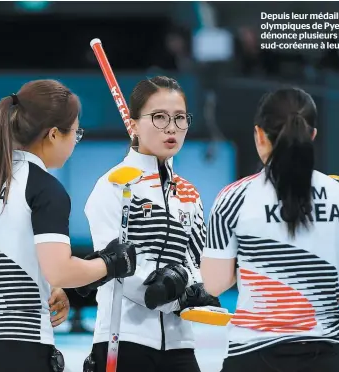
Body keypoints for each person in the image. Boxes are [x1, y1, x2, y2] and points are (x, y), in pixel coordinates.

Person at [0, 79, 136, 372]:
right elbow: (60, 269)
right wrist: (112, 262)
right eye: (76, 132)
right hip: (14, 341)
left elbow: (16, 253)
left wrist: (54, 285)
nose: (76, 140)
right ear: (53, 134)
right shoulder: (44, 187)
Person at [200, 87, 339, 372]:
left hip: (253, 356)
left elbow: (214, 284)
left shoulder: (234, 197)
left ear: (259, 135)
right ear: (313, 136)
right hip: (325, 357)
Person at [80, 76, 220, 372]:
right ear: (133, 125)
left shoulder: (189, 192)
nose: (171, 127)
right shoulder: (113, 185)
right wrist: (167, 292)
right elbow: (112, 265)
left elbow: (195, 257)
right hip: (123, 338)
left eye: (180, 118)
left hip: (180, 342)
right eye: (159, 117)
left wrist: (194, 287)